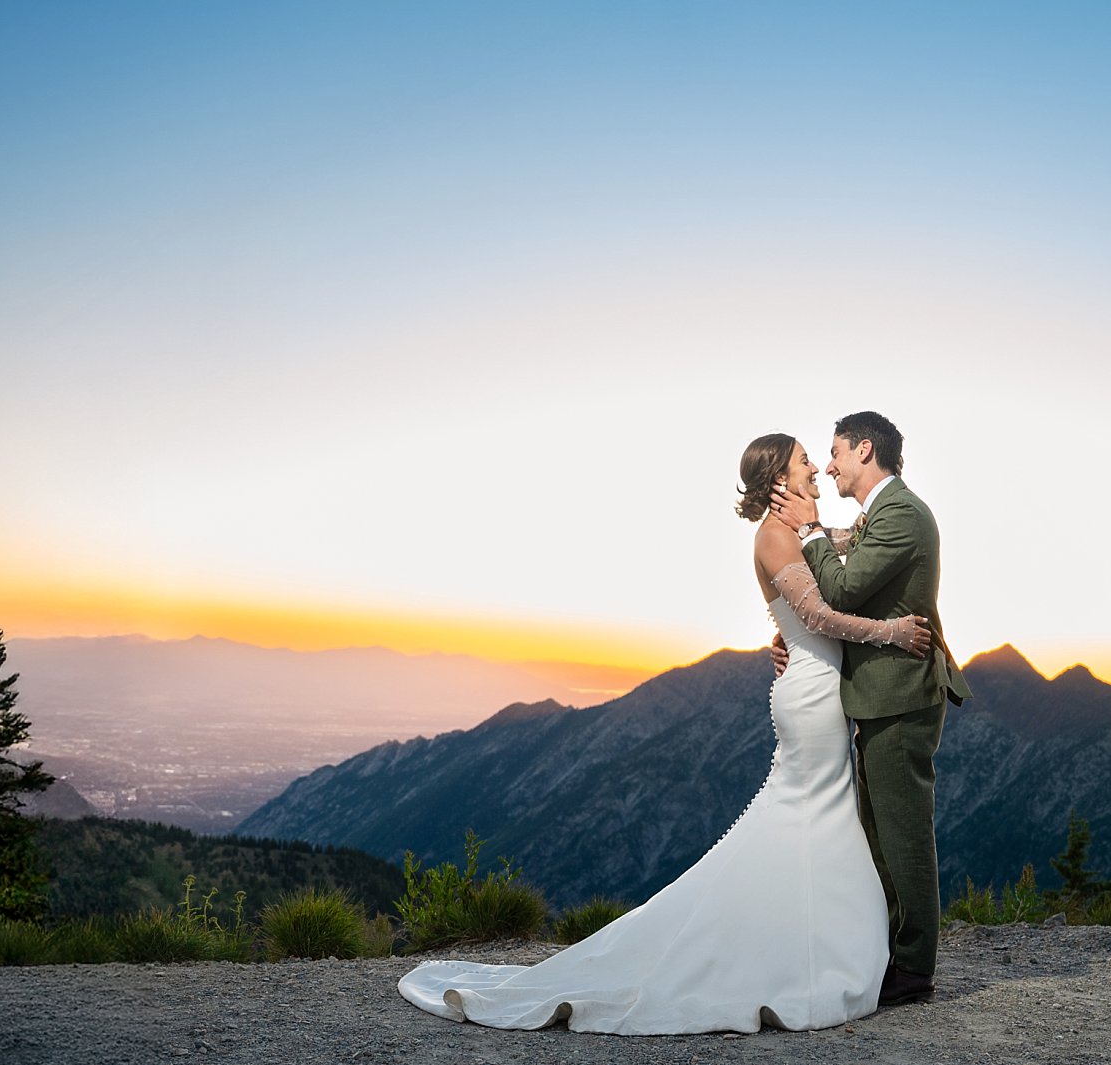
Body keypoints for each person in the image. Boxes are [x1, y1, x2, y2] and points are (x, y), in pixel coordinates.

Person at [396, 433, 931, 1034]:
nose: (815, 466)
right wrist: (893, 635)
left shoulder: (801, 528)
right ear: (780, 476)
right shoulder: (775, 535)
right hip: (810, 695)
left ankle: (800, 939)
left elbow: (843, 555)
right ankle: (797, 949)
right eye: (806, 459)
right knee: (810, 814)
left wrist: (809, 585)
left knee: (818, 817)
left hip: (815, 683)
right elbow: (814, 615)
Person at [768, 410, 969, 1007]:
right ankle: (888, 953)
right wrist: (794, 635)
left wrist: (808, 530)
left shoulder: (903, 514)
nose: (828, 465)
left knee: (903, 833)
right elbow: (827, 588)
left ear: (864, 448)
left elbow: (846, 589)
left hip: (901, 695)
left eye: (834, 452)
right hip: (876, 694)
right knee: (879, 832)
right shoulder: (877, 517)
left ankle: (913, 970)